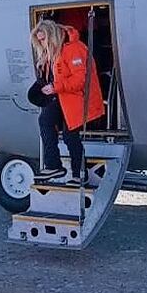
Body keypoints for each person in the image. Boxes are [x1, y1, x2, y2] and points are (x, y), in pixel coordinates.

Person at [30, 19, 104, 183]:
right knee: (47, 121)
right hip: (64, 98)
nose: (42, 43)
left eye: (43, 39)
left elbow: (80, 80)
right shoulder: (54, 53)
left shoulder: (73, 49)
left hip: (76, 99)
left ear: (52, 35)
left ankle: (78, 173)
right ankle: (55, 166)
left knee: (71, 136)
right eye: (40, 40)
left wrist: (55, 87)